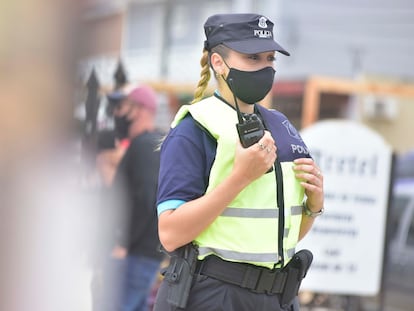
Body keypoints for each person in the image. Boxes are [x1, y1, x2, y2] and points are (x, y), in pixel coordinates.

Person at [153, 13, 324, 311]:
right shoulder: (194, 130)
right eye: (253, 57)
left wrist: (313, 205)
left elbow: (276, 238)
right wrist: (240, 178)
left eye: (270, 58)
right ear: (218, 63)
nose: (266, 67)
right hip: (216, 297)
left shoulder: (281, 126)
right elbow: (170, 234)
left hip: (277, 298)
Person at [109, 85, 165, 311]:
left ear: (140, 111)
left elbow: (146, 197)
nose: (117, 114)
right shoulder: (150, 143)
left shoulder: (145, 144)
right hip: (144, 251)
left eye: (123, 107)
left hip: (137, 253)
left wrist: (123, 242)